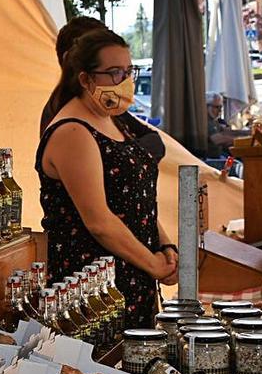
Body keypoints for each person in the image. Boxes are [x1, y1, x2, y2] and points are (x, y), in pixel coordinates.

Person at [37, 29, 178, 329]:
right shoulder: (72, 132)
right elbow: (99, 221)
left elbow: (137, 200)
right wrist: (152, 263)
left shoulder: (111, 118)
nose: (125, 81)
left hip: (134, 275)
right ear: (85, 79)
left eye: (128, 71)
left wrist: (165, 248)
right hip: (96, 291)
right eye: (114, 73)